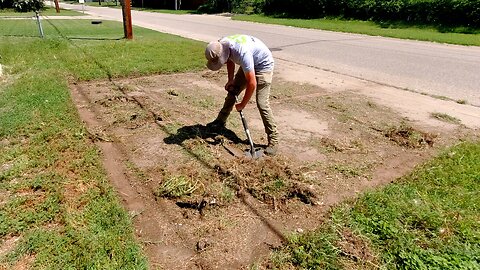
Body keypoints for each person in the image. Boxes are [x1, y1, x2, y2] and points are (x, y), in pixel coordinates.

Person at [204, 34, 279, 156]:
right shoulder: (223, 45)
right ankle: (220, 121)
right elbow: (229, 60)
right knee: (232, 92)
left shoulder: (242, 53)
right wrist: (230, 80)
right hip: (251, 61)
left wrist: (242, 104)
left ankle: (274, 140)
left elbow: (252, 83)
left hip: (263, 65)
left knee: (262, 103)